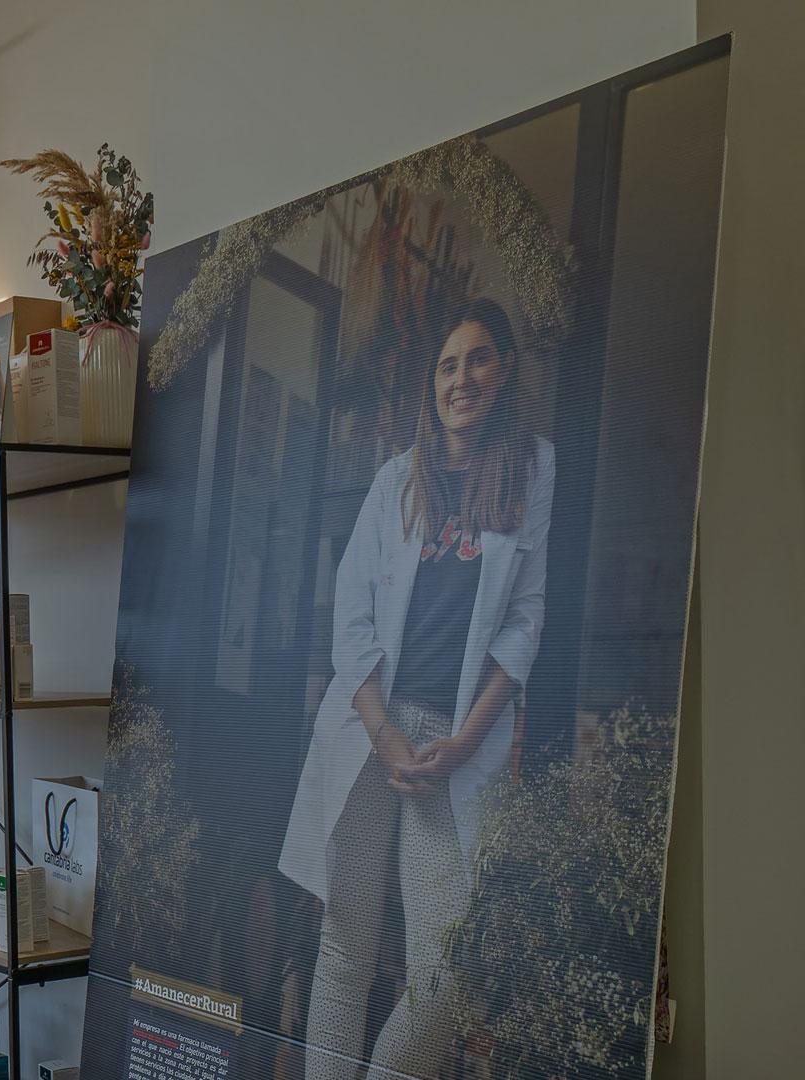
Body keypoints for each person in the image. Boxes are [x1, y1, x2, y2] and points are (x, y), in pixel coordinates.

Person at [279, 298, 555, 1078]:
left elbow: (525, 623)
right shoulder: (395, 481)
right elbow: (352, 622)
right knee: (346, 950)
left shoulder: (535, 471)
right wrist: (383, 731)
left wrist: (467, 738)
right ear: (431, 385)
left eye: (478, 359)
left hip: (453, 743)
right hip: (374, 729)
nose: (461, 378)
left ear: (504, 371)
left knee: (443, 976)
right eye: (447, 364)